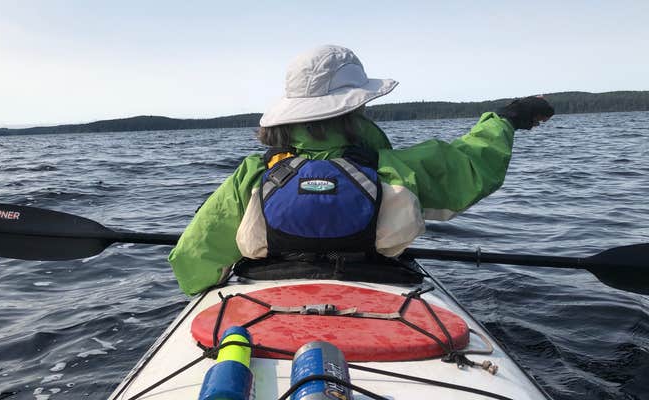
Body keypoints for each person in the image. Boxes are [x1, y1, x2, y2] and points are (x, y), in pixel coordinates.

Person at [168, 45, 554, 296]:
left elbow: (192, 255)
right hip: (379, 286)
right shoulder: (393, 169)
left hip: (268, 288)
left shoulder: (254, 172)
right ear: (356, 110)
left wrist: (204, 295)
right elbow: (472, 164)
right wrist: (506, 120)